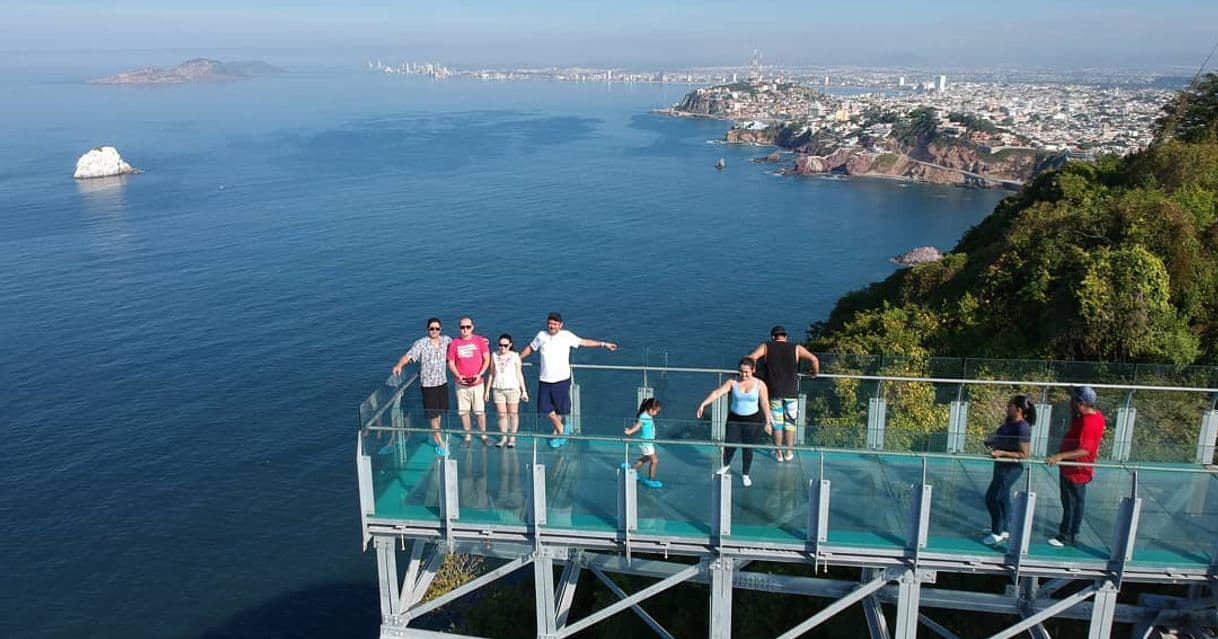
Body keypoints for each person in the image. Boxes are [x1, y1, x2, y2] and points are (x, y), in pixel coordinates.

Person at [518, 312, 618, 448]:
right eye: (550, 323)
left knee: (559, 409)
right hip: (545, 379)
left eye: (555, 324)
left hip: (561, 379)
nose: (551, 326)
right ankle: (562, 429)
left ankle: (558, 433)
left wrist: (603, 344)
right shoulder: (541, 335)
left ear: (560, 325)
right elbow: (531, 348)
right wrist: (517, 359)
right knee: (544, 408)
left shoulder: (567, 336)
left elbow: (583, 342)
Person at [696, 357, 774, 487]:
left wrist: (768, 421)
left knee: (747, 448)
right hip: (735, 418)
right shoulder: (732, 382)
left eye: (746, 372)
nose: (743, 375)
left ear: (753, 370)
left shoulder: (760, 384)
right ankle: (725, 465)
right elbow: (717, 393)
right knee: (730, 444)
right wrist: (703, 404)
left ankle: (745, 474)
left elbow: (765, 403)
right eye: (741, 372)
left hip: (752, 419)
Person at [747, 325, 820, 462]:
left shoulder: (767, 346)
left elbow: (751, 358)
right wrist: (814, 373)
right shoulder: (796, 348)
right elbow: (814, 359)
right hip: (792, 392)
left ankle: (778, 453)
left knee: (777, 424)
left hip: (774, 391)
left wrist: (753, 372)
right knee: (790, 423)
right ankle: (789, 453)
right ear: (785, 337)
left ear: (772, 337)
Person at [1046, 386, 1106, 548]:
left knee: (1071, 503)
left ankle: (1066, 536)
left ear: (1081, 403)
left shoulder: (1089, 422)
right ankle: (1070, 531)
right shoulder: (1095, 416)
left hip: (1076, 471)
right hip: (1074, 469)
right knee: (1074, 502)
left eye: (1074, 399)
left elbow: (1084, 449)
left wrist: (1060, 456)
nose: (1070, 402)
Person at [391, 317, 452, 456]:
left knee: (439, 413)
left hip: (442, 382)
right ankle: (440, 443)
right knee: (432, 415)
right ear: (427, 330)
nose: (434, 331)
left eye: (437, 329)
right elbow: (408, 356)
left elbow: (458, 347)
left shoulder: (446, 341)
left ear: (441, 330)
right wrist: (399, 365)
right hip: (428, 385)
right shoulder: (421, 344)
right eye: (432, 329)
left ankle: (435, 435)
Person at [980, 395, 1035, 546]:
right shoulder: (1009, 423)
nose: (1007, 407)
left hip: (1011, 468)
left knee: (992, 498)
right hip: (1000, 467)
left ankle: (996, 532)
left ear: (1018, 409)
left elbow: (1024, 455)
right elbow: (1004, 439)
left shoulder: (1022, 427)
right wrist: (993, 442)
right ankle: (1004, 529)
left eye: (1010, 405)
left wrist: (1002, 453)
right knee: (1003, 498)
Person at [447, 316, 491, 446]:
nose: (465, 329)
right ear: (459, 328)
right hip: (461, 384)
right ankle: (467, 436)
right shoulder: (454, 343)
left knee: (479, 411)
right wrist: (458, 375)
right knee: (463, 412)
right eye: (462, 327)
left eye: (467, 327)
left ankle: (484, 435)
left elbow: (487, 359)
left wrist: (480, 374)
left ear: (472, 327)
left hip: (477, 383)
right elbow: (451, 363)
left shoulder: (480, 341)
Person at [485, 333, 528, 447]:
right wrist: (487, 390)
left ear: (510, 345)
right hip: (498, 389)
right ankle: (504, 437)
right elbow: (491, 374)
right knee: (502, 415)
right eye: (500, 345)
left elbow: (519, 373)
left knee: (513, 414)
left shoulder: (515, 356)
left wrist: (524, 390)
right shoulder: (494, 355)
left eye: (505, 345)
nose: (502, 347)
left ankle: (512, 438)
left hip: (513, 389)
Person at [623, 397, 663, 488]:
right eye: (656, 411)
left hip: (648, 443)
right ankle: (651, 479)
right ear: (650, 409)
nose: (656, 413)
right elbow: (638, 426)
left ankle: (633, 469)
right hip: (646, 444)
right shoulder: (644, 416)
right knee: (654, 461)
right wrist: (630, 431)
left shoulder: (647, 415)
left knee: (646, 458)